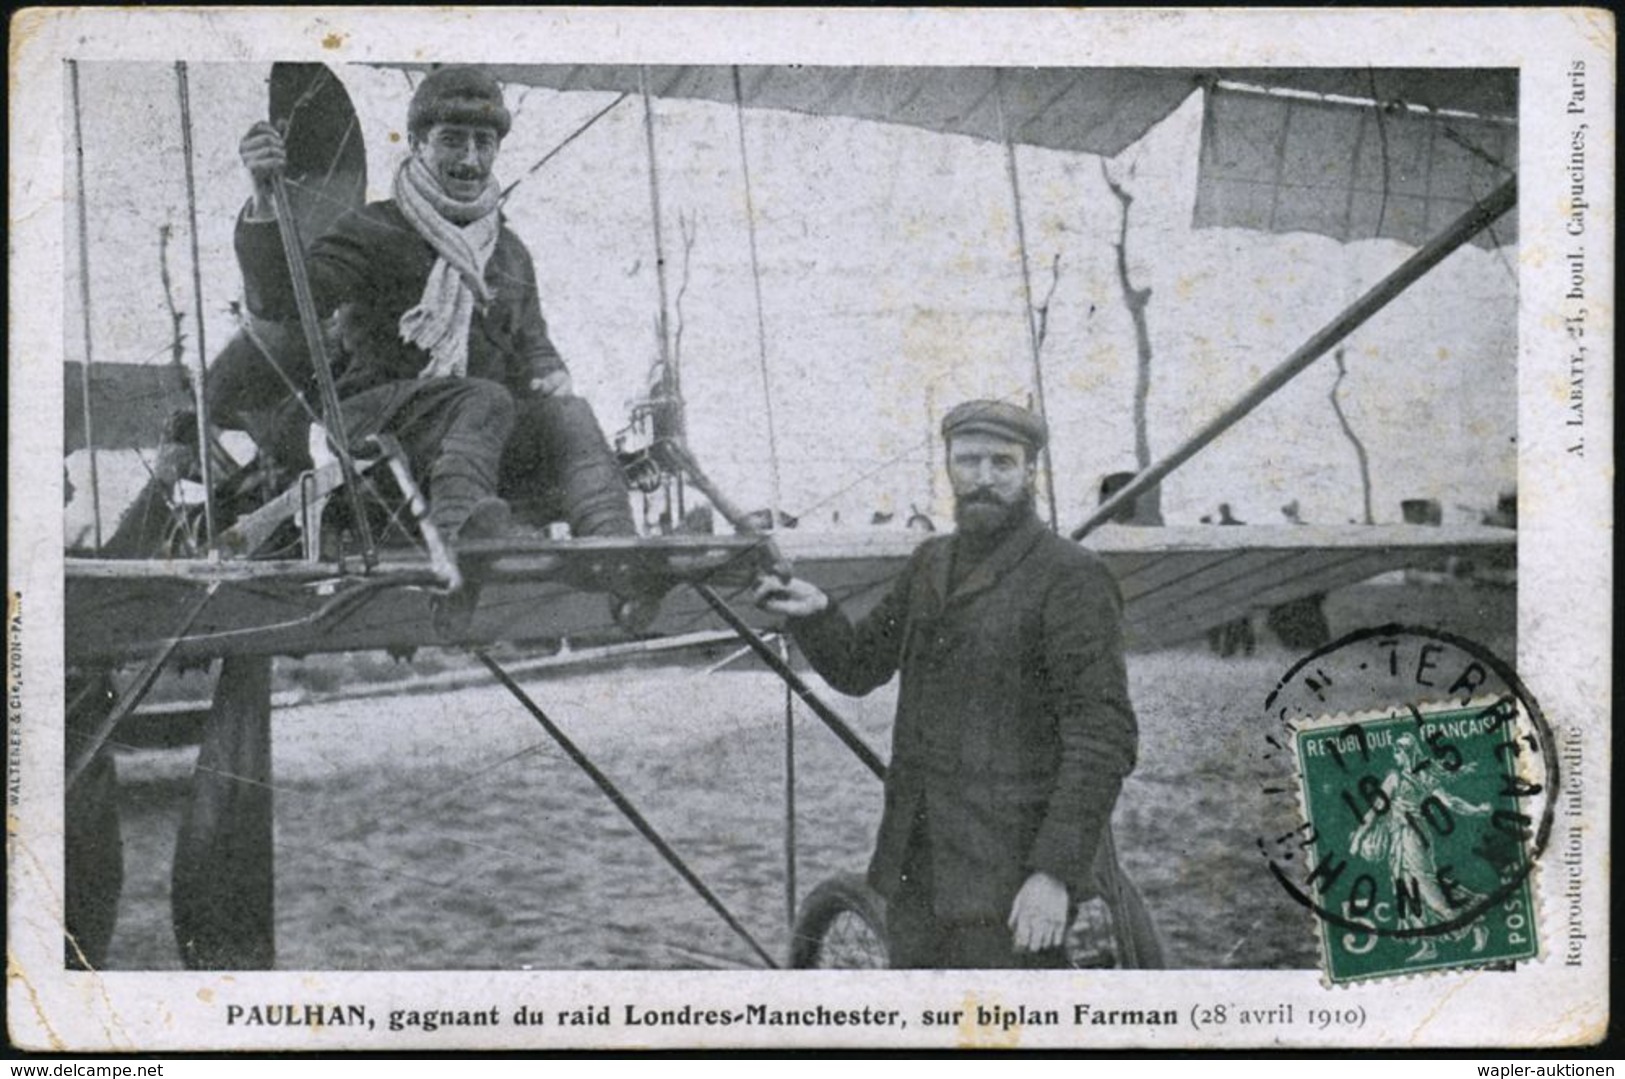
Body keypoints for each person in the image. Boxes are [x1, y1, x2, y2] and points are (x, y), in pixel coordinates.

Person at [754, 400, 1155, 968]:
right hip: (916, 868)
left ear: (1030, 471)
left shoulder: (1071, 577)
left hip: (1010, 880)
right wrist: (816, 612)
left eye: (1002, 462)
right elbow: (860, 666)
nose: (984, 478)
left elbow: (1103, 737)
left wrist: (1053, 874)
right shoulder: (929, 564)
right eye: (969, 462)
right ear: (948, 465)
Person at [234, 65, 635, 547]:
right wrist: (263, 199)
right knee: (484, 397)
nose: (470, 159)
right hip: (376, 429)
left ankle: (615, 547)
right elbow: (285, 299)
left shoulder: (507, 253)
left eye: (483, 143)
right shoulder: (375, 229)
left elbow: (535, 345)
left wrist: (549, 374)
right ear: (417, 143)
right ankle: (460, 540)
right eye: (452, 140)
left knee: (569, 413)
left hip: (476, 439)